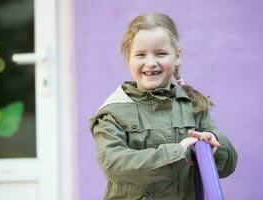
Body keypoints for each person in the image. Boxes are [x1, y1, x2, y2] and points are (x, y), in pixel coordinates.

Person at [90, 12, 237, 200]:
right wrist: (176, 153)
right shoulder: (113, 110)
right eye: (140, 54)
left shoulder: (193, 106)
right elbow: (113, 164)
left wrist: (215, 143)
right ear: (129, 58)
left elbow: (227, 166)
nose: (151, 63)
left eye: (160, 53)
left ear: (177, 56)